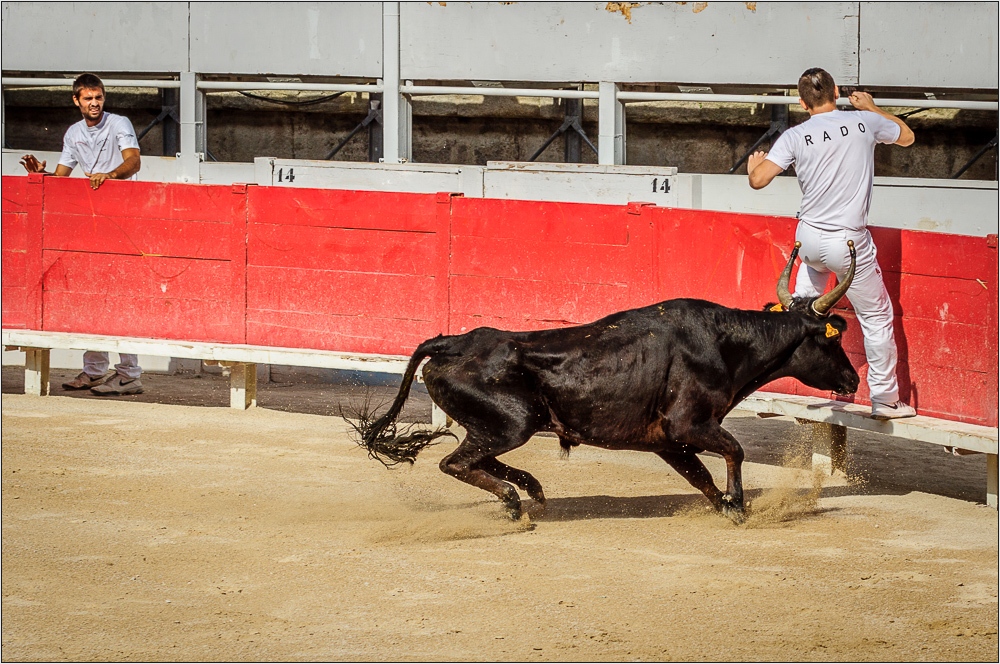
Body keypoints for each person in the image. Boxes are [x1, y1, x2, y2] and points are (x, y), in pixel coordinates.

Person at [747, 67, 916, 420]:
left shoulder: (795, 135)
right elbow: (907, 137)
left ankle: (774, 381)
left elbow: (759, 181)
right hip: (848, 244)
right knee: (876, 316)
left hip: (807, 241)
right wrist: (872, 107)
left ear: (801, 101)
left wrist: (754, 166)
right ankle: (885, 400)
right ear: (836, 92)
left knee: (800, 316)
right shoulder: (864, 122)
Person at [20, 73, 145, 396]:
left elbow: (133, 162)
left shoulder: (119, 123)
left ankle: (130, 373)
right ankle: (94, 370)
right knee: (91, 292)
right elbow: (62, 179)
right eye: (88, 99)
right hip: (90, 222)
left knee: (118, 294)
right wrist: (41, 176)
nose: (95, 104)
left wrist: (110, 175)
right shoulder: (74, 133)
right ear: (76, 101)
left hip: (120, 219)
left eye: (99, 98)